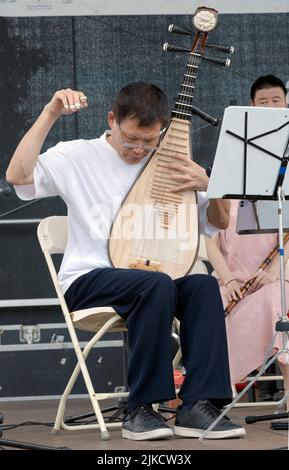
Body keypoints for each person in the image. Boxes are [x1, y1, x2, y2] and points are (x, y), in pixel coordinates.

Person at [6, 82, 245, 440]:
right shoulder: (77, 156)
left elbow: (220, 223)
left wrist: (209, 184)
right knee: (156, 284)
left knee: (203, 285)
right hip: (90, 279)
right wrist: (51, 112)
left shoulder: (169, 165)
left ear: (162, 131)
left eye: (149, 142)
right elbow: (17, 176)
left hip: (152, 280)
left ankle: (197, 405)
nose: (139, 150)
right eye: (131, 139)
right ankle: (140, 408)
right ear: (112, 120)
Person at [205, 75, 289, 409]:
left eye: (276, 100)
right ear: (251, 107)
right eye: (263, 101)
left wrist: (276, 273)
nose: (270, 106)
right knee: (211, 303)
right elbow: (208, 236)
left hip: (277, 273)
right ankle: (209, 393)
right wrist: (227, 277)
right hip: (232, 277)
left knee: (275, 297)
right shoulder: (231, 162)